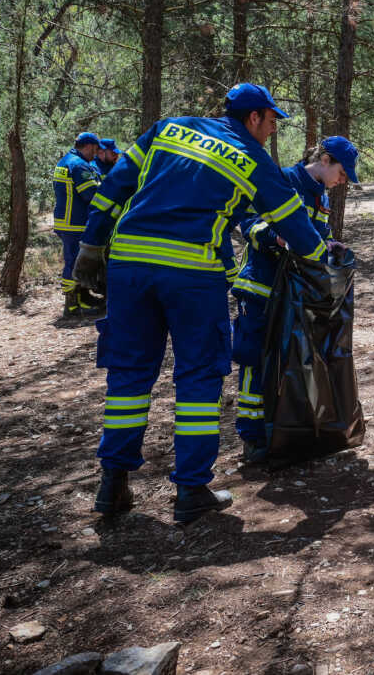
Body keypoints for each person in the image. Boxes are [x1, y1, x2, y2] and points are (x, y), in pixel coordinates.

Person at [73, 83, 331, 523]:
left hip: (129, 268)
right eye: (271, 122)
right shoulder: (253, 157)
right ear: (254, 117)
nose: (271, 131)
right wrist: (324, 262)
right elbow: (296, 224)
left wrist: (92, 244)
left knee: (129, 376)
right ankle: (192, 489)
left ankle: (112, 484)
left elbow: (116, 184)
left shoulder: (168, 128)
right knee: (198, 378)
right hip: (192, 275)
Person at [231, 136, 358, 463]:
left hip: (294, 297)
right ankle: (253, 437)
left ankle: (282, 431)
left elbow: (318, 236)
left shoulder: (321, 197)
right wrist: (275, 237)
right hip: (261, 289)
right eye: (343, 173)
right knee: (255, 358)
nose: (342, 181)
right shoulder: (283, 180)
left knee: (289, 360)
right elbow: (246, 222)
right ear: (326, 159)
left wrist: (331, 246)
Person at [52, 131, 103, 317]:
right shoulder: (78, 165)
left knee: (75, 261)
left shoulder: (67, 161)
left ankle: (82, 298)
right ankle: (72, 306)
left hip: (67, 221)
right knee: (73, 262)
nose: (96, 154)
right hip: (74, 223)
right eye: (95, 149)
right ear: (88, 146)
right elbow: (91, 195)